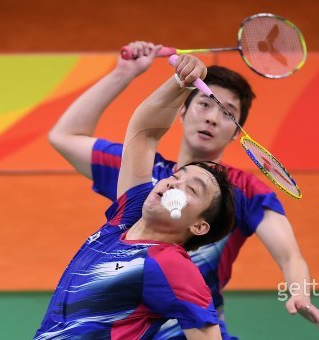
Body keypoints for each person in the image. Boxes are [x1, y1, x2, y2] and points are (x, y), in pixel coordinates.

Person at [48, 41, 319, 338]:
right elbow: (66, 136)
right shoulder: (145, 179)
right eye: (205, 103)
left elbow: (290, 255)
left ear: (236, 132)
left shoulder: (243, 190)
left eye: (227, 113)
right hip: (128, 327)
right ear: (182, 111)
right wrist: (125, 73)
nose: (211, 117)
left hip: (195, 328)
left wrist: (300, 293)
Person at [36, 55, 234, 339]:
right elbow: (144, 134)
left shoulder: (171, 265)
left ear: (199, 226)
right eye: (176, 177)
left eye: (190, 190)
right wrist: (180, 82)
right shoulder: (127, 217)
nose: (172, 185)